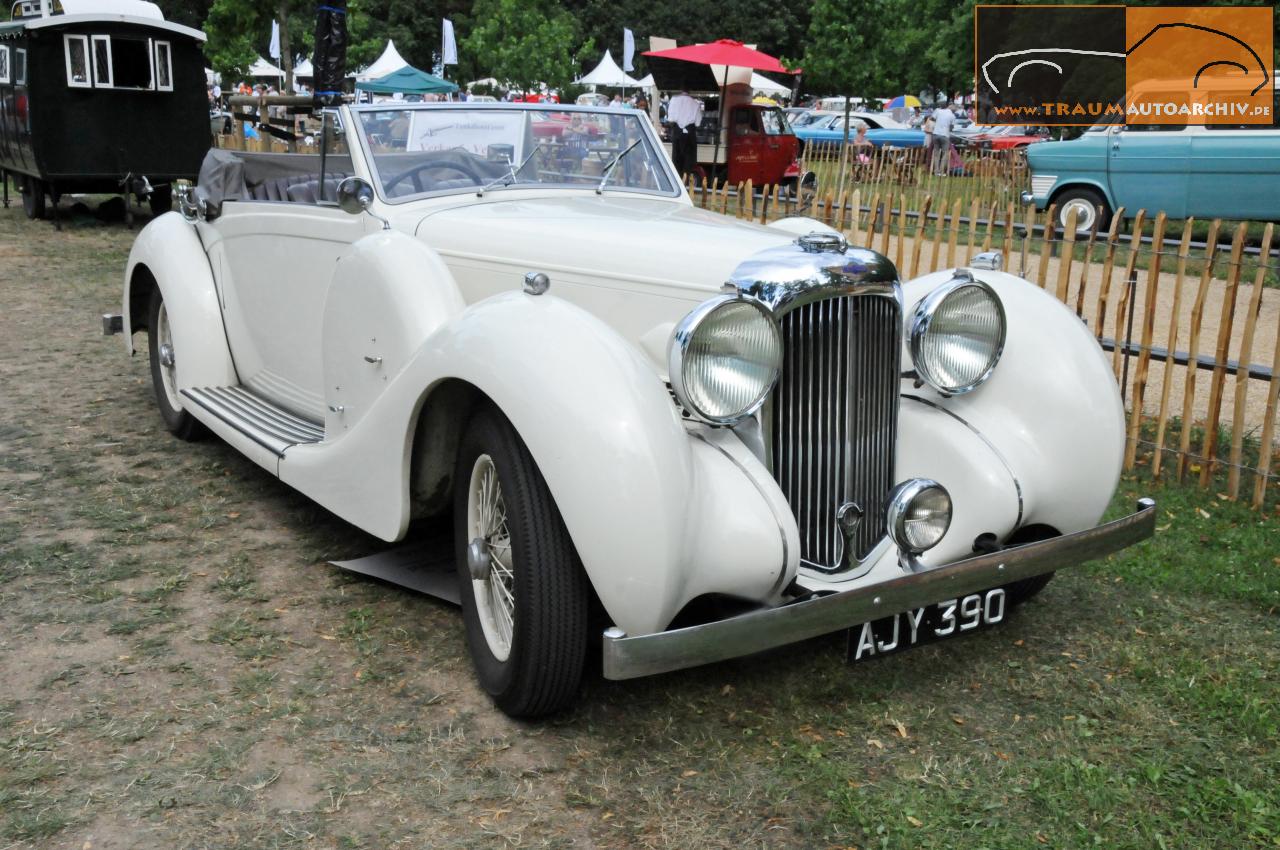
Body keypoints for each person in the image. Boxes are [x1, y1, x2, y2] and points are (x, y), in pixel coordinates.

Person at [666, 90, 703, 179]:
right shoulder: (695, 103)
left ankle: (678, 181)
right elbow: (698, 123)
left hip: (677, 132)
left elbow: (670, 119)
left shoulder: (673, 100)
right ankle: (685, 181)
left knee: (677, 160)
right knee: (688, 162)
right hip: (689, 134)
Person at [930, 101, 955, 175]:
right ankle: (941, 171)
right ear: (947, 106)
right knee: (945, 154)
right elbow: (951, 127)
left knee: (936, 154)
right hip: (945, 135)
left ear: (941, 106)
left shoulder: (937, 111)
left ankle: (936, 171)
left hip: (936, 134)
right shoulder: (952, 115)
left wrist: (938, 121)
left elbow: (931, 118)